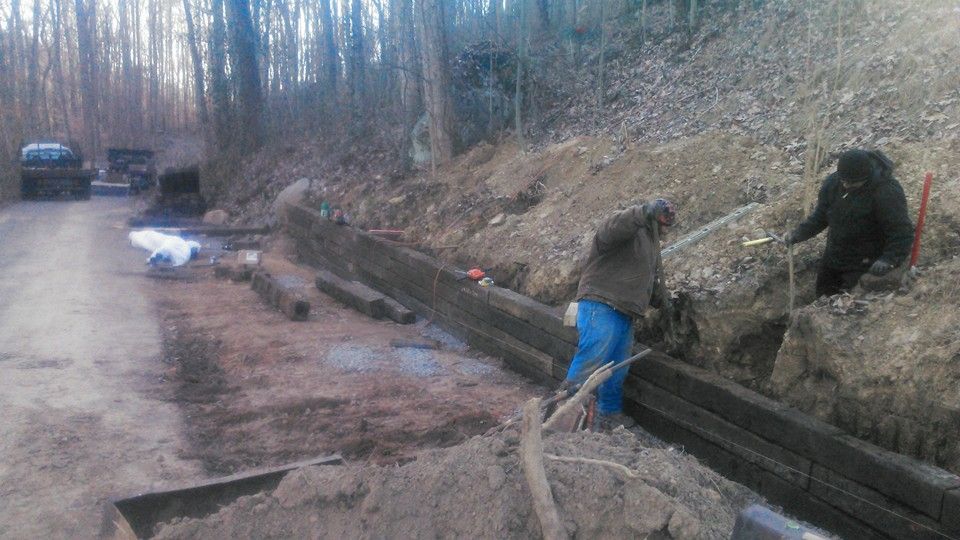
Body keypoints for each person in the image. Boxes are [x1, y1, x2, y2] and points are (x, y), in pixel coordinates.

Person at [563, 198, 676, 429]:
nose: (666, 229)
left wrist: (661, 300)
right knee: (591, 361)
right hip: (601, 304)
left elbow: (642, 279)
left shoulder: (650, 244)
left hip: (625, 312)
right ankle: (565, 415)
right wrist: (643, 212)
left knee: (617, 369)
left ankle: (609, 414)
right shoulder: (628, 229)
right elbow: (610, 229)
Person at [785, 149, 914, 297]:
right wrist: (798, 234)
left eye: (853, 183)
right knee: (822, 300)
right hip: (833, 258)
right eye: (844, 181)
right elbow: (821, 216)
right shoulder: (833, 183)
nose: (846, 185)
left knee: (844, 306)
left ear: (866, 177)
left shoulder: (886, 191)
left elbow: (901, 231)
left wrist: (889, 259)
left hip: (863, 263)